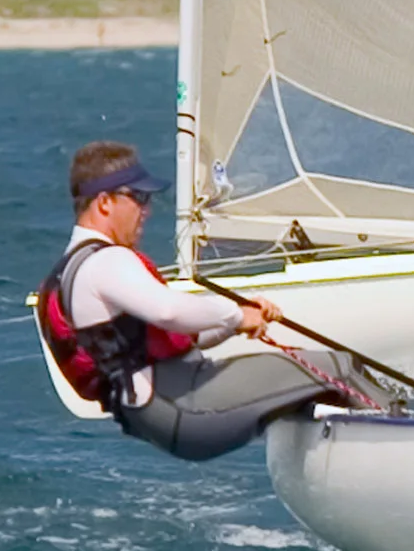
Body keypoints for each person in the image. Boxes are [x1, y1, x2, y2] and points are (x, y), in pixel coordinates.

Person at [36, 142, 386, 462]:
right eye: (138, 197)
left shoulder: (69, 272)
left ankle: (346, 459)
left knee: (304, 390)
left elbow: (181, 336)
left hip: (163, 413)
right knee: (339, 368)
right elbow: (169, 311)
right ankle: (400, 446)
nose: (147, 209)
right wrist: (234, 315)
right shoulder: (107, 261)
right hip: (183, 404)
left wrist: (237, 321)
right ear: (104, 202)